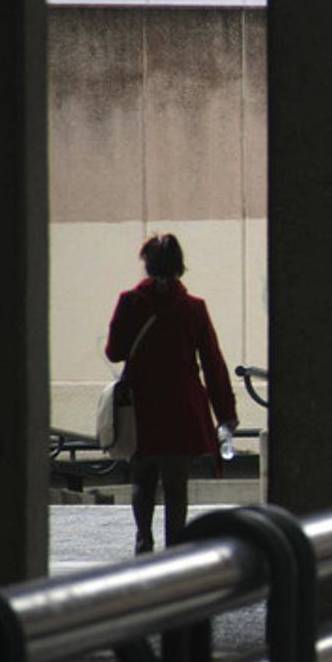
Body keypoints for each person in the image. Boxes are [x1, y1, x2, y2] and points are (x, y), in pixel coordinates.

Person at [105, 234, 238, 555]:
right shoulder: (194, 308)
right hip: (181, 407)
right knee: (176, 485)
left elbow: (114, 352)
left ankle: (143, 538)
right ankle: (176, 546)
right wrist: (226, 413)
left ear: (147, 265)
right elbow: (212, 362)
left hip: (143, 404)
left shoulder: (130, 302)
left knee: (143, 478)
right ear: (180, 266)